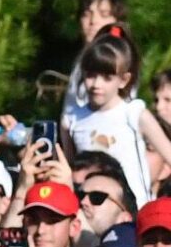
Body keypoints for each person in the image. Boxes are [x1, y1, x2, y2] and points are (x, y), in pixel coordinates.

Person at [64, 31, 169, 205]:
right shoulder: (73, 119)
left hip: (133, 212)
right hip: (88, 209)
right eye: (91, 75)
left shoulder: (134, 113)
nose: (97, 84)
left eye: (107, 77)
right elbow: (69, 169)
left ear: (123, 80)